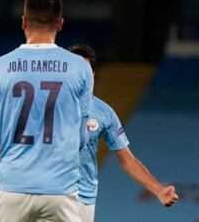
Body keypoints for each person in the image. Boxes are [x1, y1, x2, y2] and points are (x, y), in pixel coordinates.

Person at [0, 0, 94, 222]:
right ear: (61, 23)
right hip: (61, 189)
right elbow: (82, 139)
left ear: (23, 22)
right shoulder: (80, 68)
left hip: (13, 187)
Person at [68, 44, 179, 222]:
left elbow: (128, 160)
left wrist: (159, 190)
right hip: (48, 192)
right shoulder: (44, 106)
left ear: (93, 75)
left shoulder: (104, 112)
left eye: (85, 70)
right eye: (75, 70)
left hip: (82, 199)